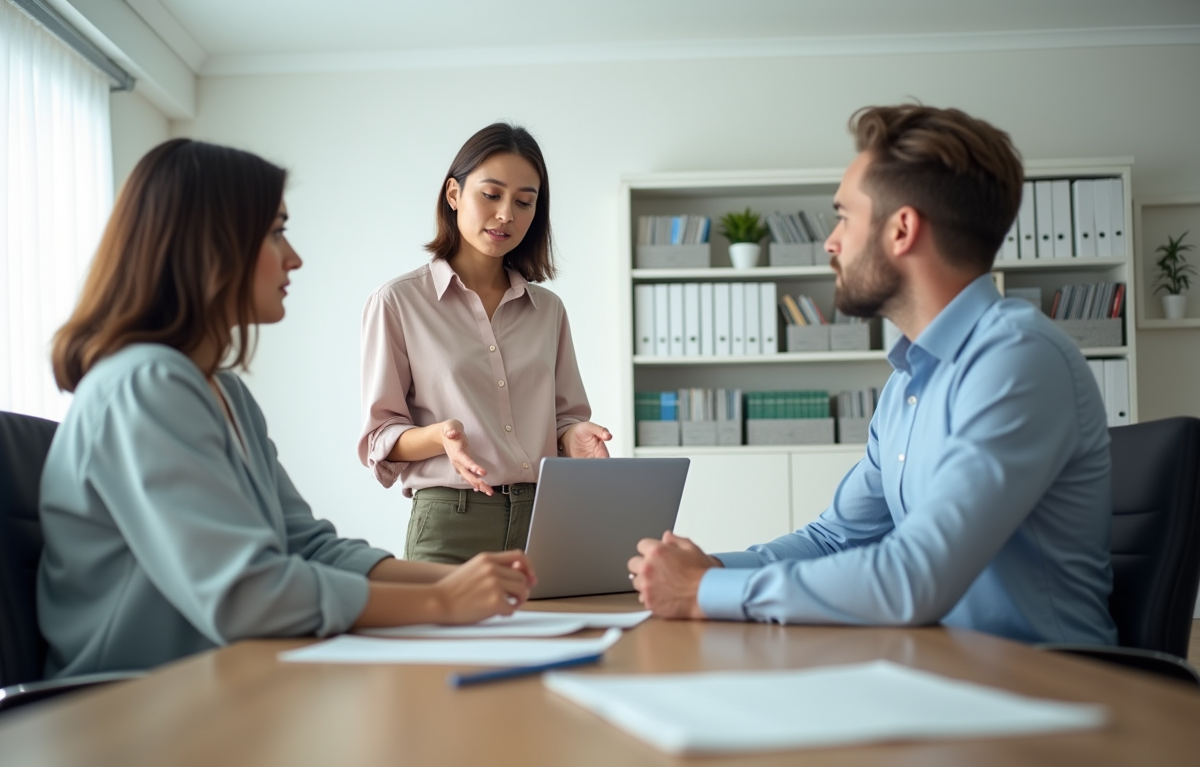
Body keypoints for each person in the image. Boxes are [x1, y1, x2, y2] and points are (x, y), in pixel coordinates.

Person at [39, 139, 536, 679]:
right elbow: (245, 593)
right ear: (209, 245)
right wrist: (442, 602)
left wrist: (463, 581)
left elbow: (307, 546)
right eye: (276, 232)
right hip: (130, 700)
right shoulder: (144, 386)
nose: (293, 257)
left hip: (214, 680)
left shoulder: (226, 394)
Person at [628, 104, 1118, 646]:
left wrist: (702, 590)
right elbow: (835, 539)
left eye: (844, 216)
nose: (830, 243)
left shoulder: (1017, 359)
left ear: (902, 230)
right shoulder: (908, 380)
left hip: (1044, 680)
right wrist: (708, 570)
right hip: (942, 665)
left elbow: (914, 577)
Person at [358, 122, 610, 564]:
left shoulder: (548, 310)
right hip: (451, 523)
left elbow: (564, 419)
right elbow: (380, 437)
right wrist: (441, 437)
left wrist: (575, 435)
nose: (506, 214)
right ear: (453, 194)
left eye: (524, 202)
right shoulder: (398, 302)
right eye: (491, 195)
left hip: (544, 518)